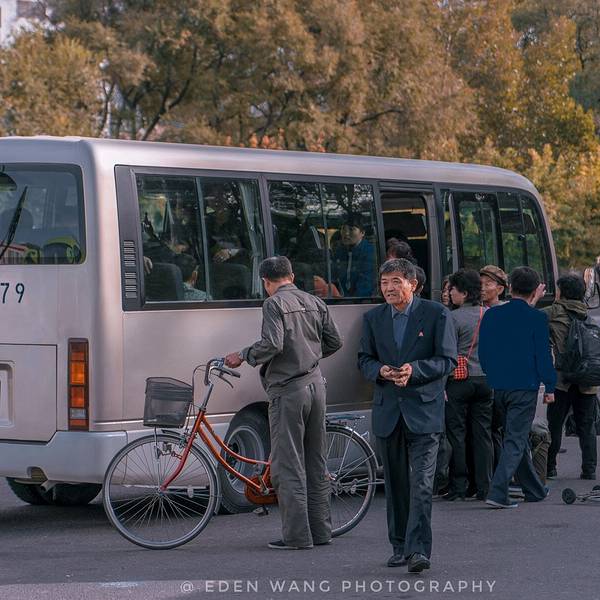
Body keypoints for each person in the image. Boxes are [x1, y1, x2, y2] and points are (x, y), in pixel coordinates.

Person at [224, 256, 343, 550]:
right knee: (315, 461)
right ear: (291, 275)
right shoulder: (314, 301)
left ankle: (297, 536)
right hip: (316, 386)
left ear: (266, 282)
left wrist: (244, 355)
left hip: (289, 390)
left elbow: (272, 344)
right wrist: (309, 355)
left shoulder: (273, 304)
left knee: (288, 465)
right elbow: (335, 341)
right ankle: (321, 532)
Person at [358, 258, 457, 573]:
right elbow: (364, 359)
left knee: (422, 484)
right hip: (388, 411)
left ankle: (418, 551)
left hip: (424, 410)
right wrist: (381, 371)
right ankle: (399, 546)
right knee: (395, 484)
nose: (389, 288)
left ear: (412, 284)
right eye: (384, 282)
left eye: (395, 282)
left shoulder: (437, 314)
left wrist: (415, 370)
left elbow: (447, 360)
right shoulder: (373, 318)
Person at [478, 267, 556, 508]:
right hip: (525, 386)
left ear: (509, 288)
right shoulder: (537, 318)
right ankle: (498, 492)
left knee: (515, 438)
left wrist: (492, 374)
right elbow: (543, 356)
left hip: (498, 386)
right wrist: (550, 385)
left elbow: (484, 352)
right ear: (534, 291)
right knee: (515, 439)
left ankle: (534, 490)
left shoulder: (491, 315)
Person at [444, 269, 493, 501]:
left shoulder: (452, 318)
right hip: (486, 379)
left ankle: (459, 486)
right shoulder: (490, 314)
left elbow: (447, 352)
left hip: (459, 380)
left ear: (463, 293)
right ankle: (484, 486)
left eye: (452, 289)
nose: (450, 293)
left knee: (457, 434)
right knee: (482, 434)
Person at [543, 274, 597, 480]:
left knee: (555, 424)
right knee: (587, 425)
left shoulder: (553, 312)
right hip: (587, 380)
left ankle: (550, 467)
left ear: (561, 292)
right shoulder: (588, 314)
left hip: (562, 379)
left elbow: (528, 318)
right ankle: (589, 469)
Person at [479, 264, 508, 469]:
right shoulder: (475, 310)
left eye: (488, 284)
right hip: (481, 377)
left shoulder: (504, 311)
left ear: (500, 289)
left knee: (497, 428)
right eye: (479, 283)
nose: (482, 288)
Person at [332, 215, 376, 297]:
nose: (346, 233)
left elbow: (366, 284)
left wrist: (349, 301)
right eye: (343, 228)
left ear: (362, 233)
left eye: (351, 229)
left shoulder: (369, 252)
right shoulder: (340, 252)